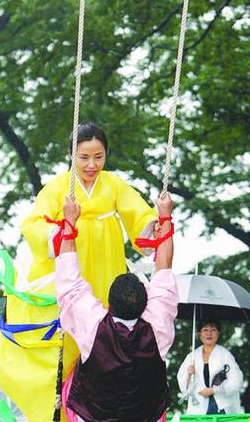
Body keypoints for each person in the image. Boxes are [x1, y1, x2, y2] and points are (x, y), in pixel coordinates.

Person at [55, 191, 177, 422]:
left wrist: (69, 221)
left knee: (72, 372)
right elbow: (165, 267)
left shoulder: (92, 323)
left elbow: (68, 280)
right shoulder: (158, 322)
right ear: (147, 302)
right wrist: (165, 216)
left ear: (108, 302)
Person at [21, 122, 157, 306]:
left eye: (98, 157)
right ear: (71, 154)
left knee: (107, 306)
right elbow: (33, 224)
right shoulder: (56, 188)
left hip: (108, 256)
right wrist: (61, 229)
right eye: (84, 157)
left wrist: (152, 226)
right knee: (75, 307)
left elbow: (138, 212)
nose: (92, 165)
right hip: (73, 256)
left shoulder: (114, 183)